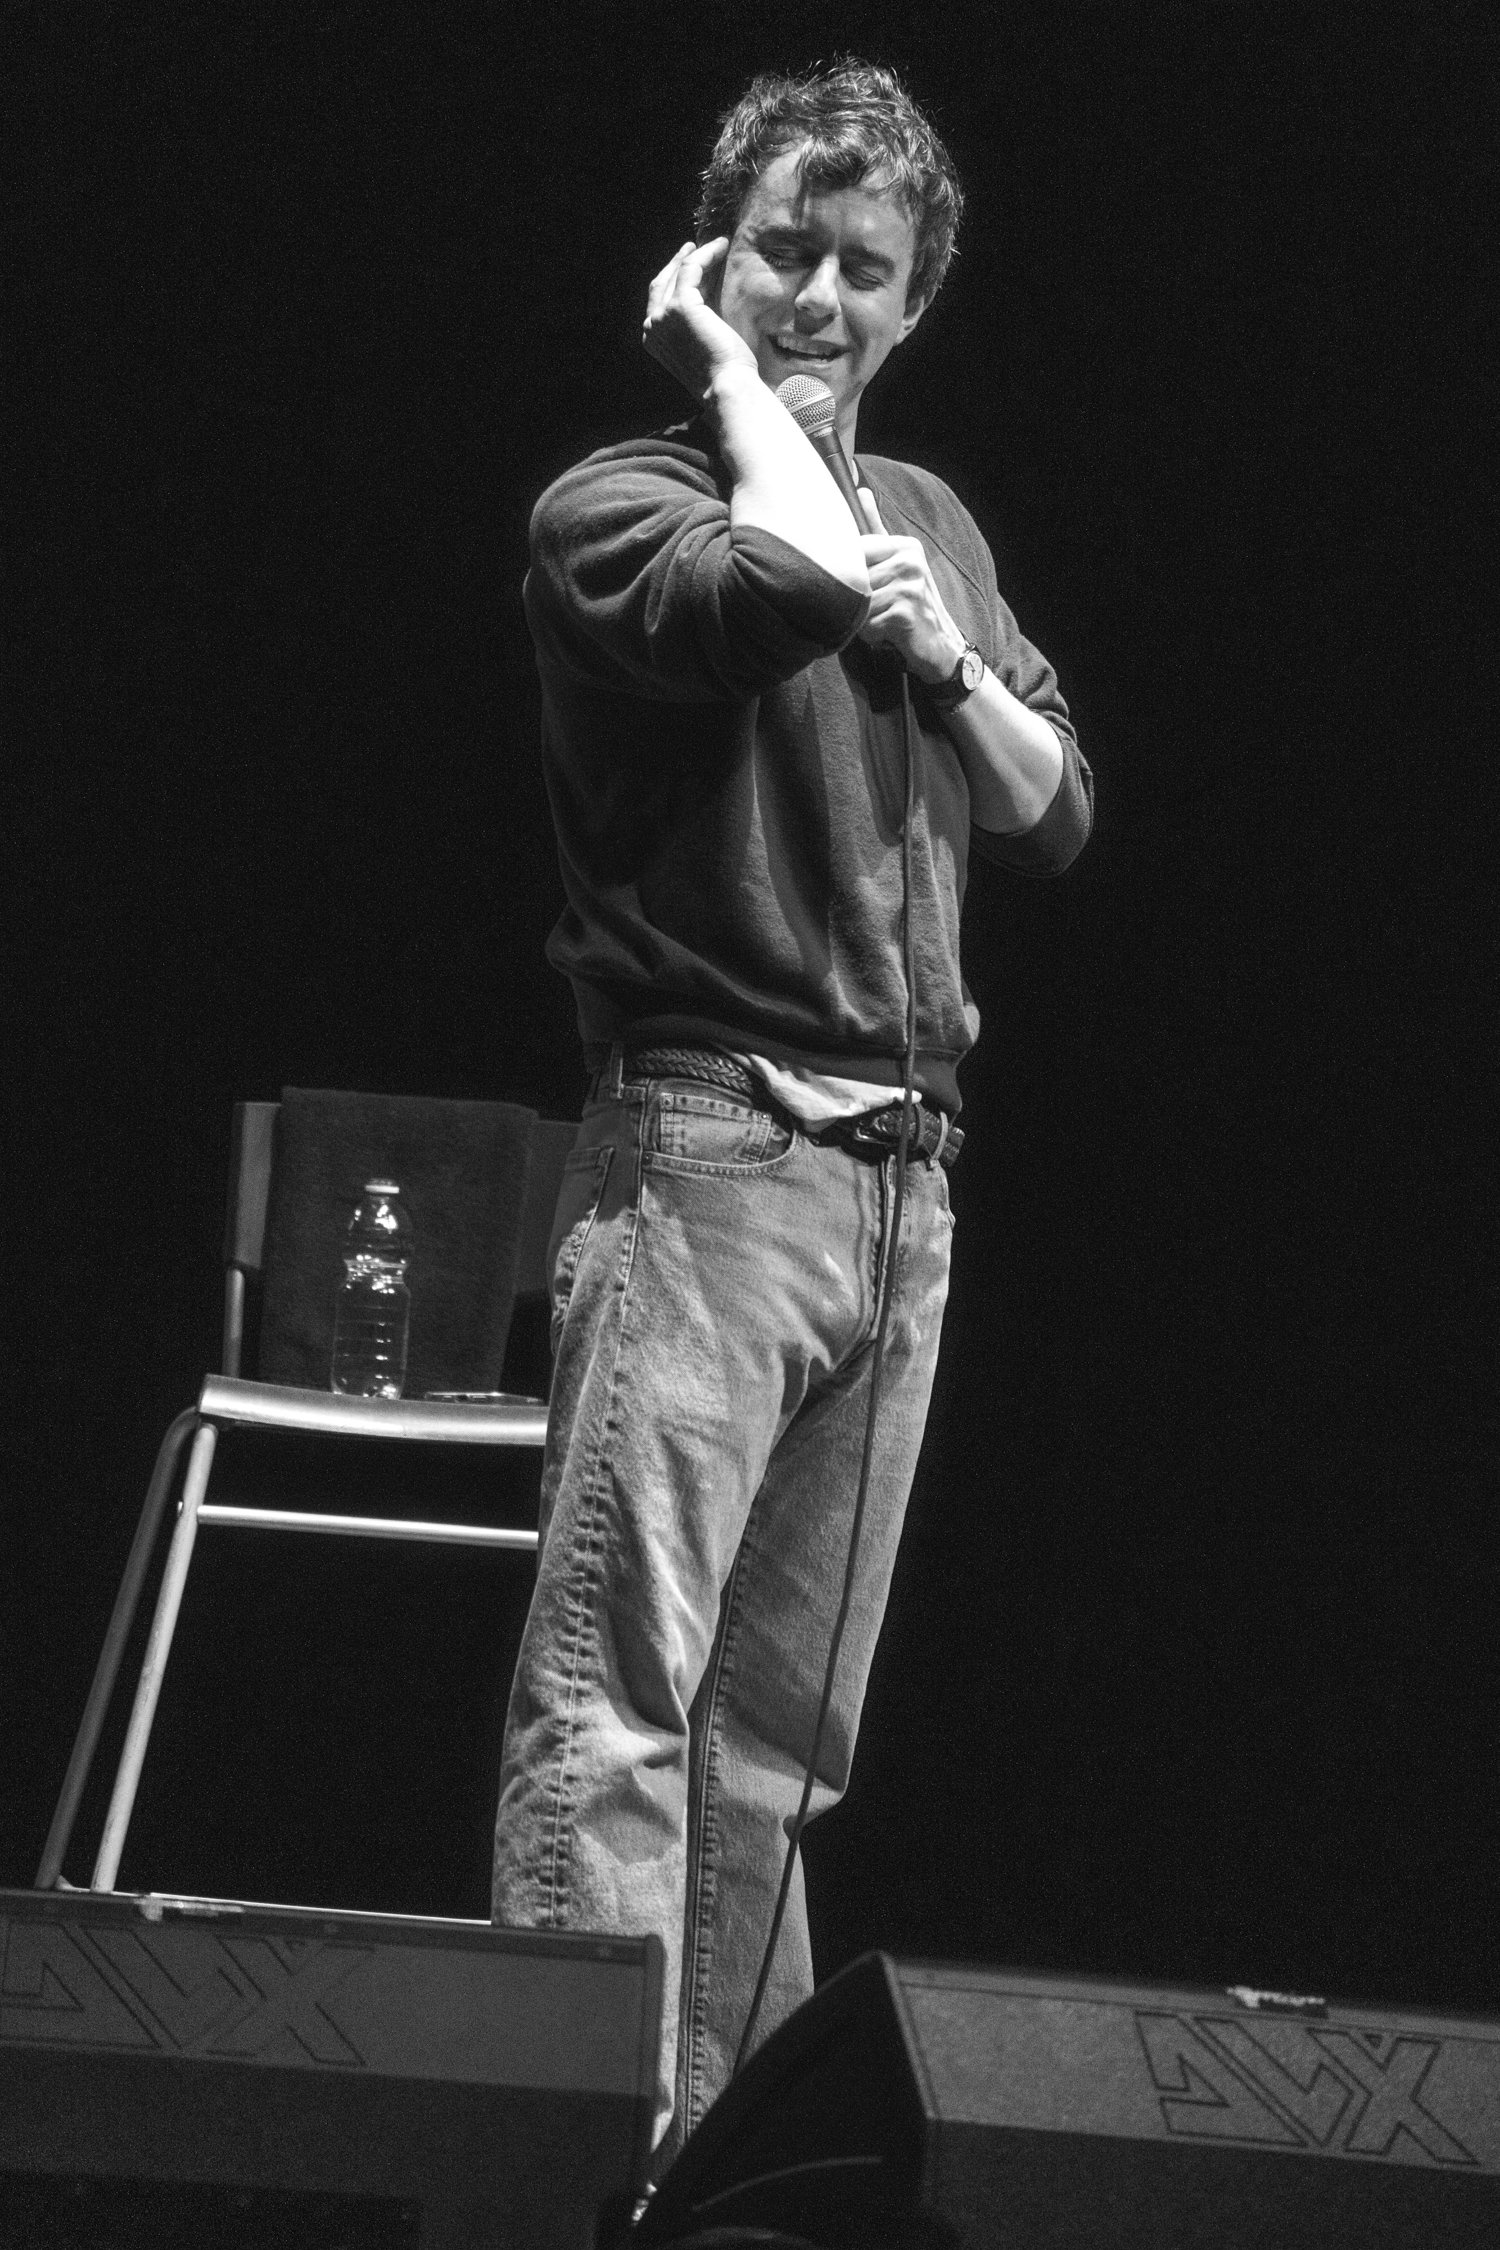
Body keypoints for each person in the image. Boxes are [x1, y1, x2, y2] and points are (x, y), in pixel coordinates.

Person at [492, 58, 1093, 2169]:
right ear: (708, 265)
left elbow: (1055, 808)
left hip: (899, 1192)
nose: (820, 297)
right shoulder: (622, 504)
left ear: (919, 296)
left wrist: (961, 673)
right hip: (710, 1155)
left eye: (865, 268)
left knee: (775, 1754)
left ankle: (725, 2190)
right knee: (621, 1718)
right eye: (781, 258)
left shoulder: (930, 525)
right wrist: (729, 390)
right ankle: (582, 2185)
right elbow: (779, 591)